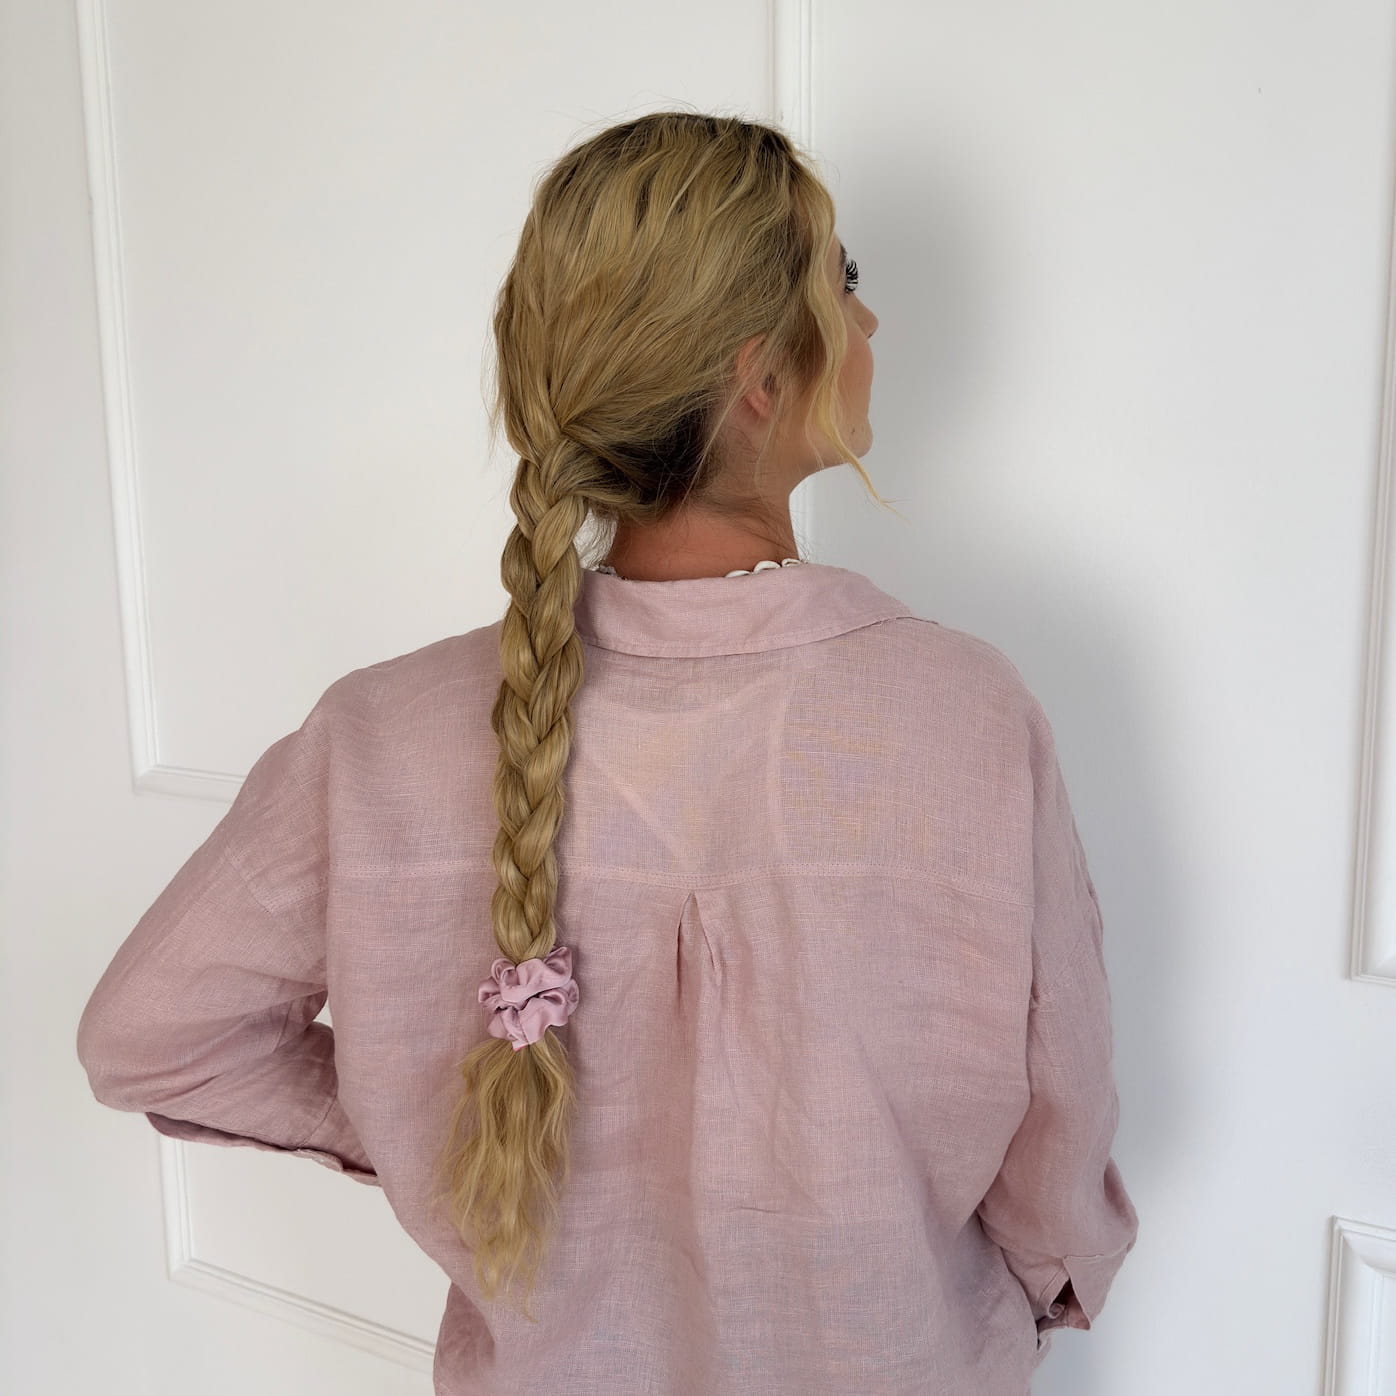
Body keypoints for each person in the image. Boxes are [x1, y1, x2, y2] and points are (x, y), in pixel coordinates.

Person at [76, 110, 1139, 1395]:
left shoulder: (375, 735)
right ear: (759, 377)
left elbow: (150, 1035)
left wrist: (437, 1131)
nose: (870, 321)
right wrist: (1035, 1286)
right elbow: (1058, 1135)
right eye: (844, 281)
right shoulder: (962, 712)